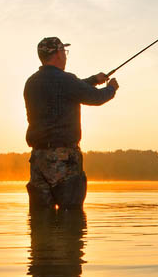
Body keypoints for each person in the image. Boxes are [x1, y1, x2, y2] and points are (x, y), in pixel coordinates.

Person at [23, 37, 119, 209]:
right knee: (71, 216)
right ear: (58, 54)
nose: (66, 56)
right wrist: (111, 88)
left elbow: (65, 89)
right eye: (64, 52)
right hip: (64, 159)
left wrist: (93, 80)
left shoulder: (31, 83)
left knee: (40, 221)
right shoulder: (66, 80)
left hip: (38, 160)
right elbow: (95, 97)